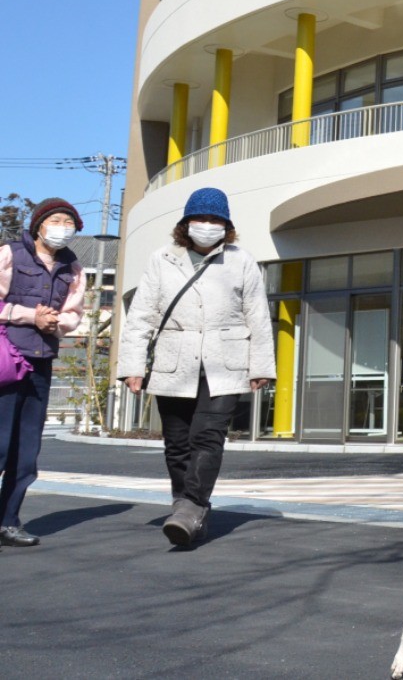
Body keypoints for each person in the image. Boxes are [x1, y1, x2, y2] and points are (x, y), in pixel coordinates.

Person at [117, 188, 275, 547]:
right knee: (176, 443)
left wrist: (261, 364)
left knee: (207, 436)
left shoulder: (241, 260)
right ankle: (186, 506)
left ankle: (190, 508)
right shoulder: (162, 259)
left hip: (226, 362)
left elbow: (258, 315)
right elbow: (141, 315)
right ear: (186, 224)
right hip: (175, 362)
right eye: (200, 218)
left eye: (215, 220)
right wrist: (133, 366)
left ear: (227, 226)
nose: (207, 225)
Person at [0, 199, 86, 547]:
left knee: (26, 450)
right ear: (38, 225)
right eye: (56, 220)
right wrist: (27, 315)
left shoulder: (73, 267)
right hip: (6, 359)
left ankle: (8, 522)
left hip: (41, 360)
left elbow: (75, 312)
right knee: (0, 444)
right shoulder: (8, 254)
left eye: (69, 221)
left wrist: (55, 322)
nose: (62, 226)